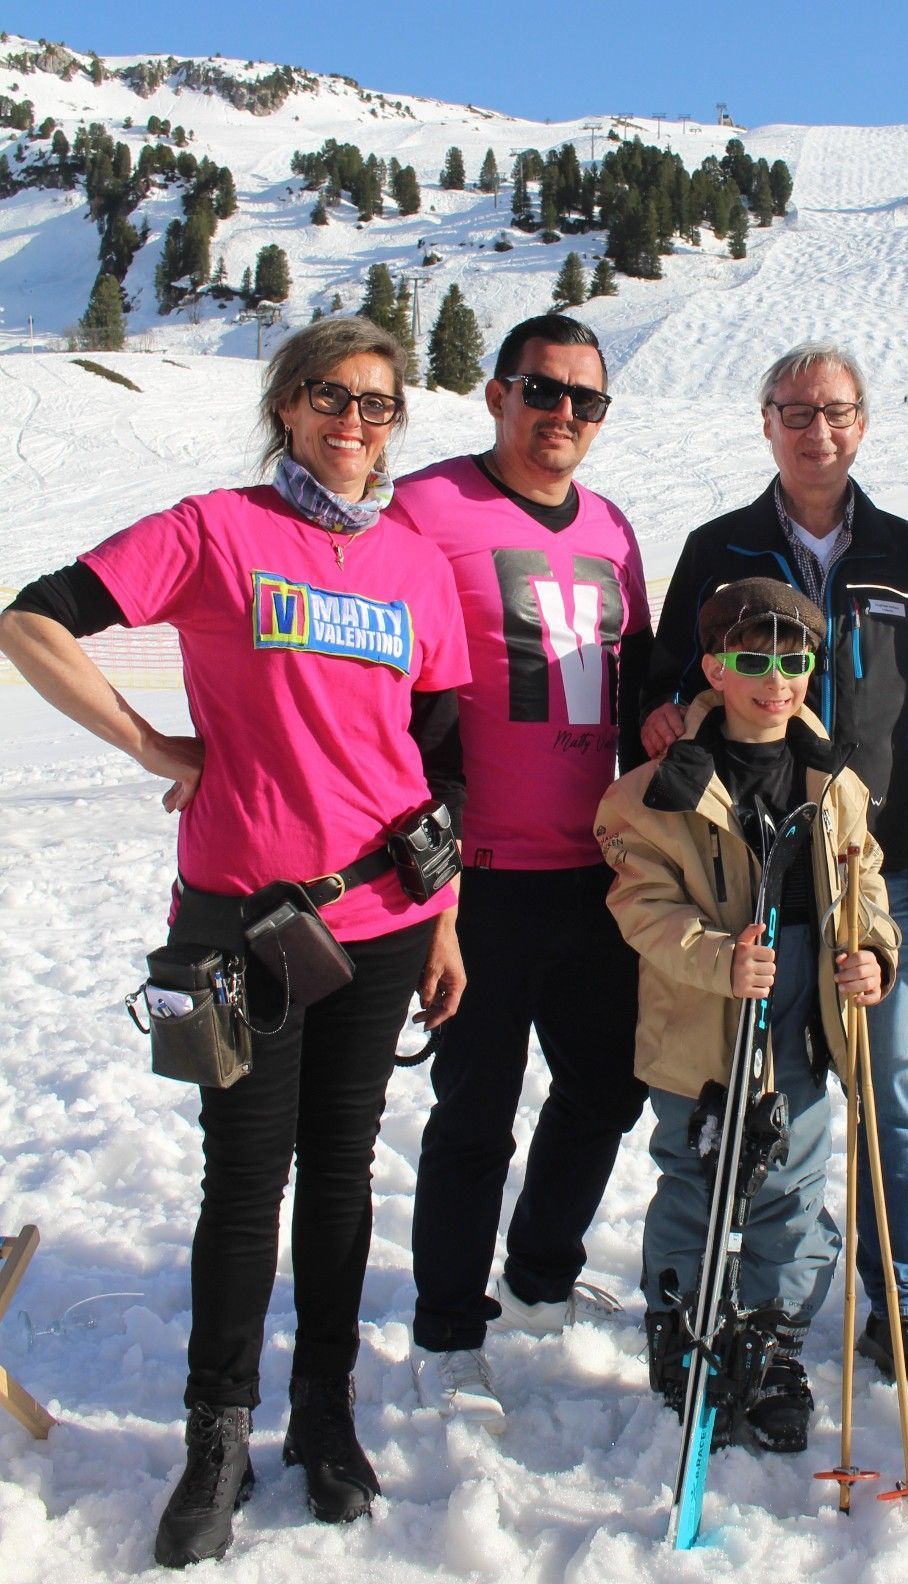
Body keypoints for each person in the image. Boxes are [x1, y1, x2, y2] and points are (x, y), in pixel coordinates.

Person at [0, 317, 472, 1566]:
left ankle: (325, 1412)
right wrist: (153, 745)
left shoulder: (418, 565)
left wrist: (448, 919)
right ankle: (218, 1434)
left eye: (377, 406)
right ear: (287, 406)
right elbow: (31, 620)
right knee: (242, 1180)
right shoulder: (215, 531)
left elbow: (439, 762)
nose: (353, 424)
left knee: (341, 1175)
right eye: (329, 398)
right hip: (240, 920)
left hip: (384, 918)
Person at [641, 342, 908, 1393]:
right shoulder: (718, 545)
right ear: (767, 422)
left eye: (834, 411)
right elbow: (663, 693)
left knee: (895, 1091)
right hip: (741, 879)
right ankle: (713, 1306)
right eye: (794, 410)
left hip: (863, 876)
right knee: (740, 1099)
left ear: (863, 423)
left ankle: (902, 1302)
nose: (815, 430)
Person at [389, 314, 651, 1419]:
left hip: (595, 871)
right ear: (498, 393)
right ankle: (448, 1328)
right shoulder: (428, 508)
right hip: (478, 875)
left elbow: (635, 680)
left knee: (607, 1088)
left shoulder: (613, 528)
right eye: (544, 392)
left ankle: (541, 1273)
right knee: (476, 1109)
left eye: (585, 401)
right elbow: (373, 671)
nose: (563, 416)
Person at [597, 577, 899, 1451]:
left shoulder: (833, 777)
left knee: (793, 1190)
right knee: (703, 1178)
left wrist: (872, 949)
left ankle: (768, 1339)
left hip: (803, 1011)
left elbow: (865, 872)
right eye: (752, 661)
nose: (776, 681)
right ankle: (686, 1329)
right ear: (714, 671)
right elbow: (642, 903)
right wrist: (714, 958)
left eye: (793, 660)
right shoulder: (659, 791)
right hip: (706, 1018)